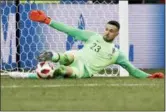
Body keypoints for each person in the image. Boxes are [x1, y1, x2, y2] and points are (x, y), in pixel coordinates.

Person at [10, 10, 164, 79]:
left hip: (84, 69)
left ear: (117, 34)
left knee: (68, 71)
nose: (107, 32)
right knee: (68, 56)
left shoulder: (117, 54)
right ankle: (54, 56)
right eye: (106, 29)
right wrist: (47, 20)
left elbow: (133, 70)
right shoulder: (92, 36)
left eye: (111, 31)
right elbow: (69, 29)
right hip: (77, 56)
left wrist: (150, 76)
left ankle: (55, 69)